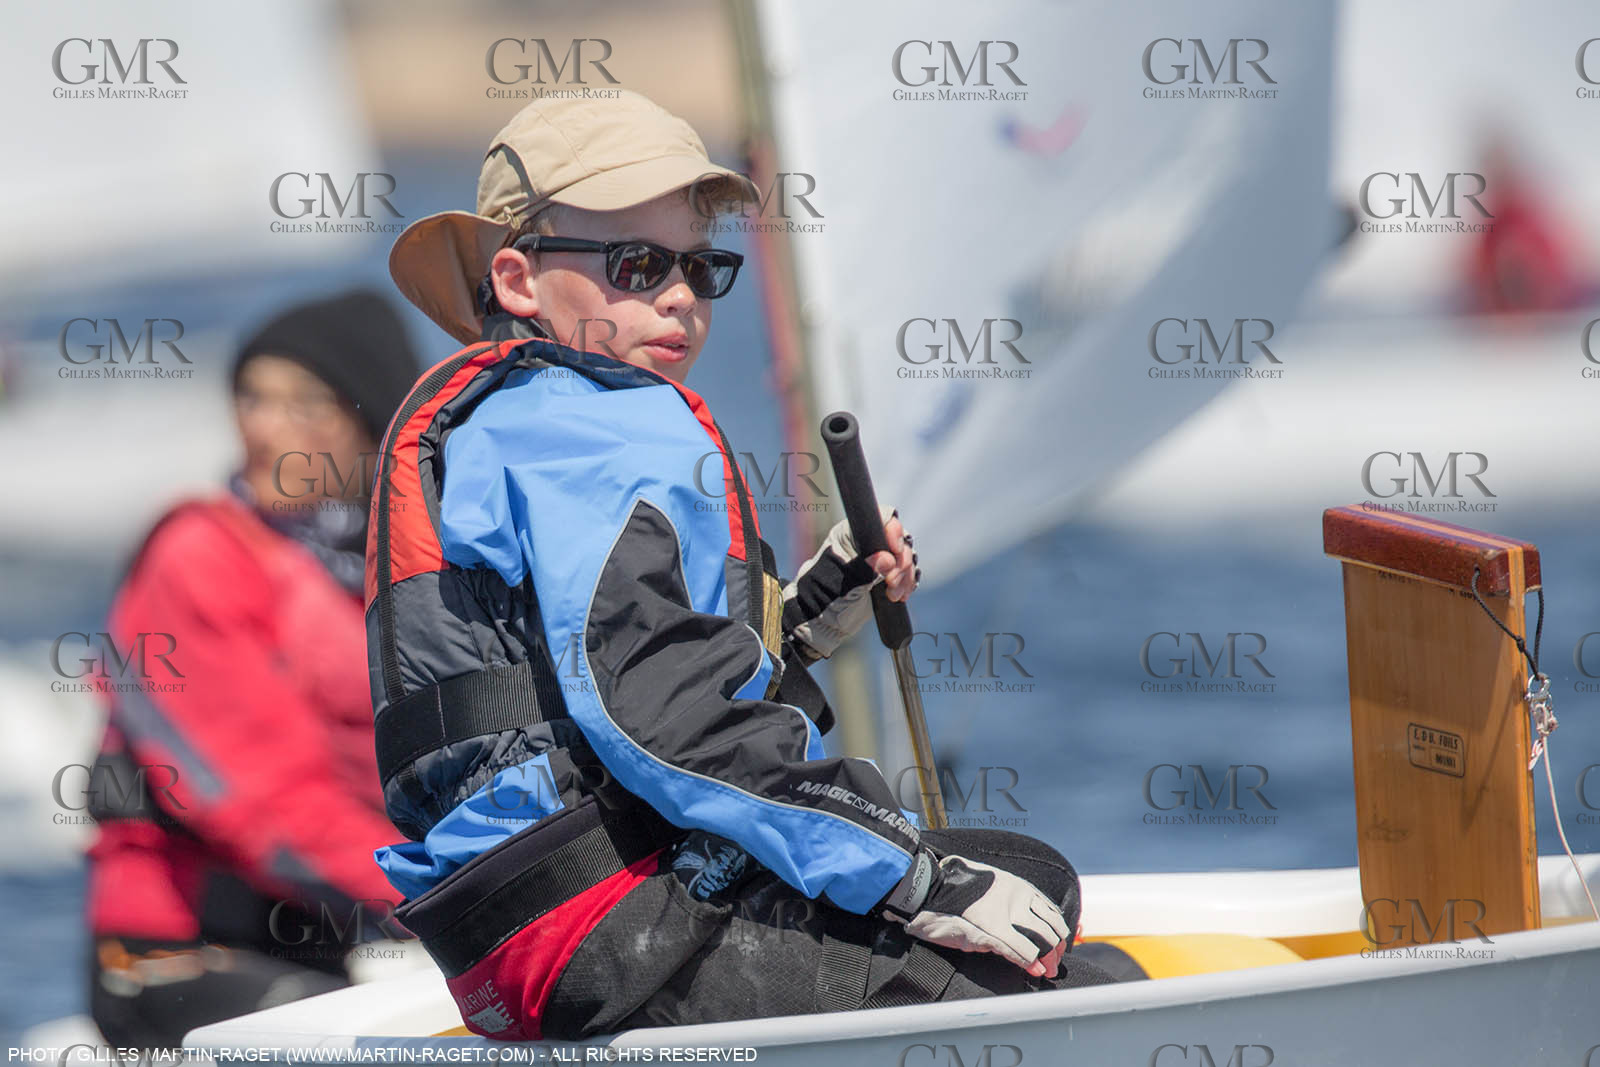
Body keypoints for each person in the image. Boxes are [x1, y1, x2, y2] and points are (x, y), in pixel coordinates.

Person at [370, 90, 1115, 1043]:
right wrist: (912, 875)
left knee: (1030, 875)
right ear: (517, 280)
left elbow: (601, 679)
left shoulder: (511, 421)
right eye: (638, 265)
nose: (680, 295)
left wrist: (803, 614)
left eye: (699, 266)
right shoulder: (592, 433)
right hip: (608, 919)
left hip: (523, 933)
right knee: (1045, 949)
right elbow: (665, 724)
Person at [83, 291, 422, 1048]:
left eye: (305, 404)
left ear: (372, 426)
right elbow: (266, 802)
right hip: (175, 956)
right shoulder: (197, 556)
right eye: (252, 397)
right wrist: (442, 897)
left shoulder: (400, 571)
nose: (264, 428)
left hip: (337, 938)